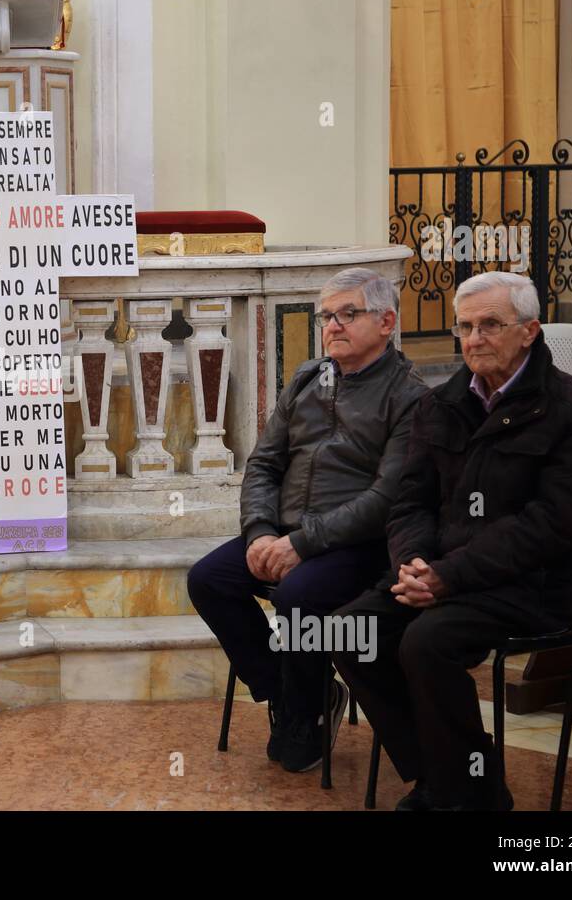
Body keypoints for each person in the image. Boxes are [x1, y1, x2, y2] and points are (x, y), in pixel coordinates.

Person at [332, 270, 572, 810]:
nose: (475, 339)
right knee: (349, 632)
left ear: (529, 331)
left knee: (426, 643)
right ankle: (451, 780)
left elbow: (551, 525)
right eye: (464, 327)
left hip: (530, 585)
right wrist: (414, 564)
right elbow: (410, 500)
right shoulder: (443, 403)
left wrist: (448, 576)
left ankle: (458, 790)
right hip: (440, 573)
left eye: (491, 325)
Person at [188, 268, 428, 771]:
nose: (333, 325)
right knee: (208, 579)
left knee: (299, 595)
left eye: (348, 314)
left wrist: (303, 543)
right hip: (286, 533)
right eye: (327, 316)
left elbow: (387, 497)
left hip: (356, 546)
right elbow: (263, 463)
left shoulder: (410, 396)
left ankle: (303, 710)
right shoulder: (307, 377)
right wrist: (260, 532)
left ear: (387, 322)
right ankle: (298, 694)